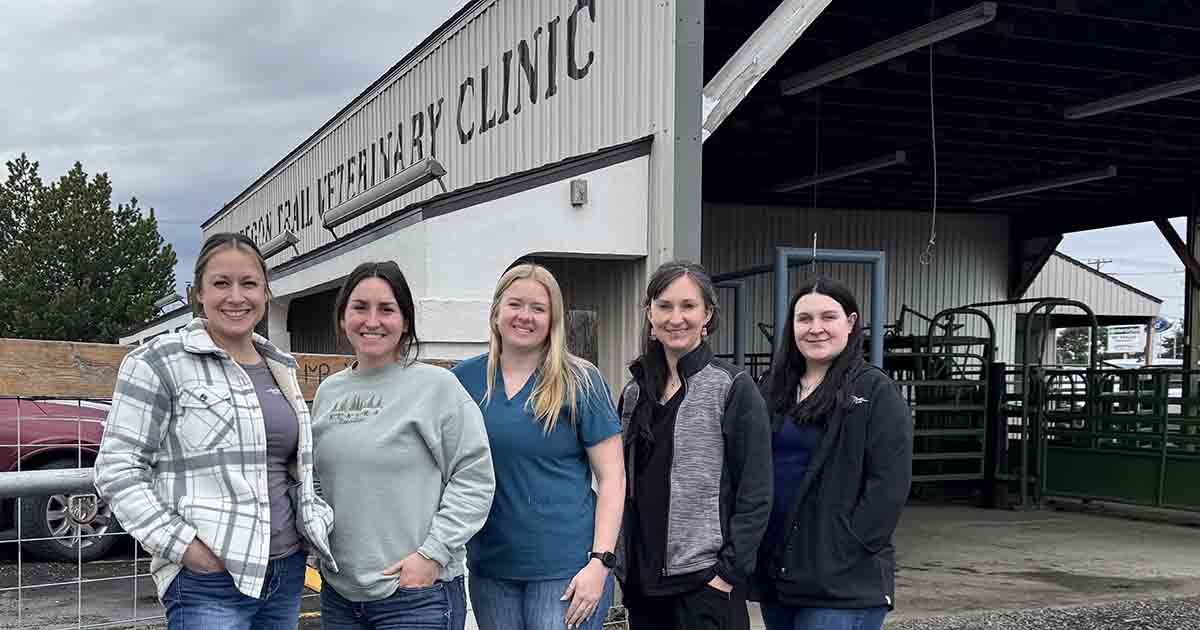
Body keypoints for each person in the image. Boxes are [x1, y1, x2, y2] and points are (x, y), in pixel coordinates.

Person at [95, 233, 336, 630]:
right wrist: (184, 547)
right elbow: (117, 470)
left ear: (265, 292)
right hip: (209, 581)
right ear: (199, 294)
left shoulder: (281, 366)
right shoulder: (159, 362)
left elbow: (292, 467)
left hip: (285, 571)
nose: (236, 297)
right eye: (221, 284)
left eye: (249, 284)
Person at [311, 261, 495, 630]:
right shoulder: (329, 392)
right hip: (340, 595)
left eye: (387, 309)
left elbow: (474, 479)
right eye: (360, 307)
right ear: (343, 316)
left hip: (415, 597)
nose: (372, 320)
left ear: (406, 321)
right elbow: (318, 480)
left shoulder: (436, 387)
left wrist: (432, 554)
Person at [451, 262, 624, 630]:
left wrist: (600, 562)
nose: (524, 316)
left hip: (566, 569)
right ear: (496, 311)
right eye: (515, 304)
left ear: (553, 319)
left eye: (538, 308)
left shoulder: (581, 382)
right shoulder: (462, 381)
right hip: (491, 565)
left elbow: (612, 478)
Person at [615, 260, 773, 630]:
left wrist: (727, 574)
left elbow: (757, 491)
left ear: (707, 315)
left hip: (704, 584)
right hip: (643, 582)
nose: (676, 318)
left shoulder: (731, 387)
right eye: (665, 306)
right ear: (649, 315)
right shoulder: (635, 392)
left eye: (688, 306)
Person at [754, 276, 913, 630]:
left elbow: (889, 485)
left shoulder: (875, 392)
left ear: (851, 322)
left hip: (843, 581)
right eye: (804, 319)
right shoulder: (773, 388)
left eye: (828, 317)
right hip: (780, 572)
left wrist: (846, 547)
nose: (816, 329)